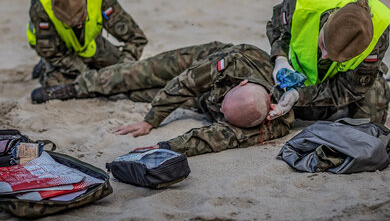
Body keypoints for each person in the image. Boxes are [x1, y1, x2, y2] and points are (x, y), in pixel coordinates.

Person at [30, 42, 294, 157]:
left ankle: (86, 83)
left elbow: (216, 138)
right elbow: (185, 83)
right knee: (140, 74)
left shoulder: (275, 123)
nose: (222, 112)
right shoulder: (234, 61)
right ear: (243, 83)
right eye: (225, 105)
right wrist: (150, 121)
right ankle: (74, 87)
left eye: (226, 115)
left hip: (202, 102)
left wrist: (166, 147)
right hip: (200, 64)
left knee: (135, 94)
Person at [267, 0, 390, 124]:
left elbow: (351, 88)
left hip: (342, 84)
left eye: (338, 58)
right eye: (323, 45)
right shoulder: (301, 2)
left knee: (371, 115)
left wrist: (299, 95)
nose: (325, 56)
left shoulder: (379, 35)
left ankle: (339, 111)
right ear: (329, 18)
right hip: (299, 77)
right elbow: (277, 28)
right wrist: (280, 58)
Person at [26, 0, 148, 87]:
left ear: (85, 1)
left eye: (81, 18)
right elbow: (51, 53)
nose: (78, 25)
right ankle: (44, 66)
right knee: (60, 85)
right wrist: (88, 76)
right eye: (70, 24)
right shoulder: (41, 7)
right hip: (58, 50)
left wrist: (121, 72)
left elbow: (136, 39)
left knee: (123, 73)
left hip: (90, 43)